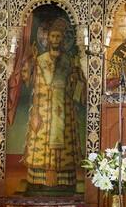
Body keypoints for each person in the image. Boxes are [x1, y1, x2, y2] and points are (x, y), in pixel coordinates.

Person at [21, 17, 85, 189]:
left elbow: (75, 88)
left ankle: (64, 180)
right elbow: (33, 84)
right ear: (47, 38)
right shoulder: (40, 59)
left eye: (58, 36)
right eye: (52, 36)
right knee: (41, 140)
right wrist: (35, 112)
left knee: (65, 141)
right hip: (44, 108)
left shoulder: (69, 60)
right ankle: (39, 179)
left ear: (63, 39)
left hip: (64, 107)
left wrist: (76, 77)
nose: (55, 39)